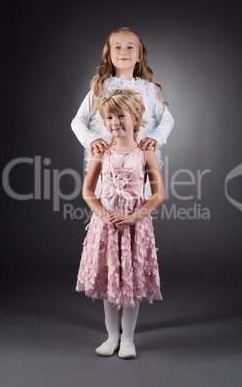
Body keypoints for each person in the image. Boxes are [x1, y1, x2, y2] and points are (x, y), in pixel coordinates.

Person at [75, 89, 165, 359]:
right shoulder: (101, 153)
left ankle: (128, 339)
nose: (115, 122)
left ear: (136, 118)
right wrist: (103, 214)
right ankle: (112, 336)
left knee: (131, 281)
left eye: (121, 115)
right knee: (108, 277)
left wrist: (133, 216)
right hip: (105, 226)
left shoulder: (145, 153)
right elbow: (88, 191)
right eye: (110, 117)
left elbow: (159, 194)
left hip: (135, 228)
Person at [71, 26, 174, 200]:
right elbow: (77, 121)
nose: (123, 51)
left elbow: (167, 120)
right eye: (117, 47)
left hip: (138, 164)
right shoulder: (100, 89)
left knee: (137, 211)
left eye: (130, 47)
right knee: (107, 210)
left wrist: (155, 137)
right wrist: (91, 139)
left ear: (139, 56)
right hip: (108, 164)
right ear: (109, 55)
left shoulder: (149, 90)